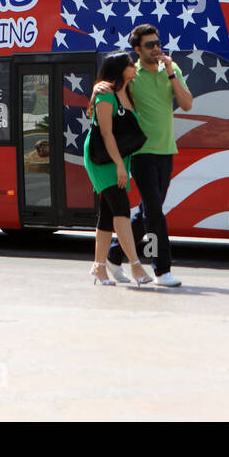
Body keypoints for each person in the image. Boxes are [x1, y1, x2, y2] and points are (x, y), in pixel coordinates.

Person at [103, 23, 193, 286]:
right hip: (142, 153)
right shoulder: (133, 75)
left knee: (147, 212)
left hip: (166, 150)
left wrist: (171, 73)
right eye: (149, 45)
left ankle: (114, 256)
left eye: (158, 43)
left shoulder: (171, 70)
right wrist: (99, 89)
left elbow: (187, 104)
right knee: (154, 212)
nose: (156, 48)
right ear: (137, 50)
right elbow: (110, 89)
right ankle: (161, 269)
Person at [85, 52, 154, 286]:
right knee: (121, 209)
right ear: (120, 70)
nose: (135, 66)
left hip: (117, 157)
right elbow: (106, 133)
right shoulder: (106, 95)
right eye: (130, 64)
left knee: (107, 214)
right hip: (103, 158)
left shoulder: (128, 91)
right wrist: (119, 166)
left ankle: (99, 267)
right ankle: (136, 265)